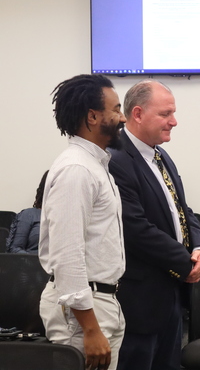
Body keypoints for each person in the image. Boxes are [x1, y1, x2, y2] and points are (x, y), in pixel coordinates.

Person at [108, 79, 200, 370]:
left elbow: (183, 211)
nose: (174, 122)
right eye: (165, 114)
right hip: (139, 303)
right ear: (137, 114)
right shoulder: (116, 160)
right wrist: (186, 262)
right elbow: (135, 229)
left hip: (170, 298)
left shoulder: (161, 156)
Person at [38, 74, 126, 370]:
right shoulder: (76, 169)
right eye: (116, 109)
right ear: (92, 116)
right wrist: (89, 328)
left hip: (99, 303)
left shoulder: (95, 165)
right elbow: (66, 253)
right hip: (81, 314)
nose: (122, 117)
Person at [6, 170, 48, 253]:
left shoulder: (69, 219)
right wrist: (33, 261)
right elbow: (15, 249)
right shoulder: (29, 215)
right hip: (31, 263)